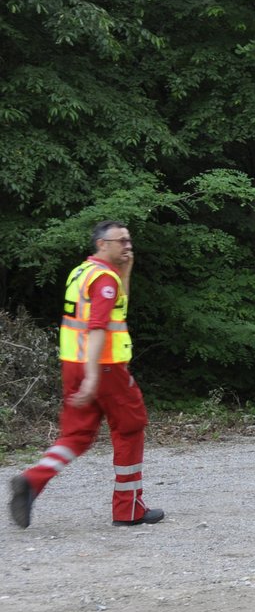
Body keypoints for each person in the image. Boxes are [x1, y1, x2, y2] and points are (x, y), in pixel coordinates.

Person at [10, 221, 164, 529]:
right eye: (121, 241)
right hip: (104, 367)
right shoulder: (105, 279)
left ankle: (32, 480)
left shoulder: (83, 272)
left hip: (74, 364)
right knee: (130, 428)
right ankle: (129, 510)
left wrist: (127, 272)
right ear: (101, 245)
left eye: (129, 240)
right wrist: (94, 375)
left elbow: (116, 310)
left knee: (77, 435)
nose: (128, 246)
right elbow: (98, 326)